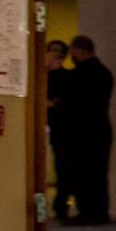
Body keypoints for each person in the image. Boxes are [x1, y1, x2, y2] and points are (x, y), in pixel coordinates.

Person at [60, 34, 114, 225]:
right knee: (98, 171)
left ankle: (88, 212)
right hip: (100, 128)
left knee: (81, 172)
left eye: (73, 51)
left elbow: (68, 99)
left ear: (79, 51)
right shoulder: (105, 73)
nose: (71, 56)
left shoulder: (79, 75)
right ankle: (100, 211)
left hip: (81, 131)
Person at [44, 40, 72, 219]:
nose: (55, 55)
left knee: (62, 165)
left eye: (59, 52)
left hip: (59, 127)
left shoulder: (66, 77)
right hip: (48, 126)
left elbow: (63, 102)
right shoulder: (40, 74)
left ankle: (60, 204)